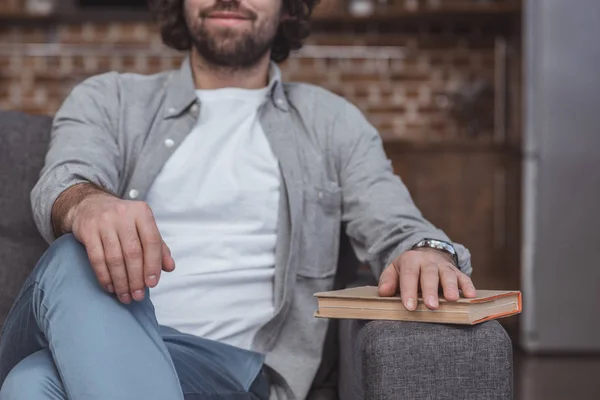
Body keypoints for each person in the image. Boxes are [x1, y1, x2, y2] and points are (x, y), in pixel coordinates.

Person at [0, 0, 477, 398]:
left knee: (31, 383)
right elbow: (66, 178)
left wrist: (426, 252)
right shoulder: (109, 100)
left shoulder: (332, 123)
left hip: (232, 370)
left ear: (289, 7)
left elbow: (395, 221)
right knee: (73, 253)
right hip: (94, 329)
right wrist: (88, 205)